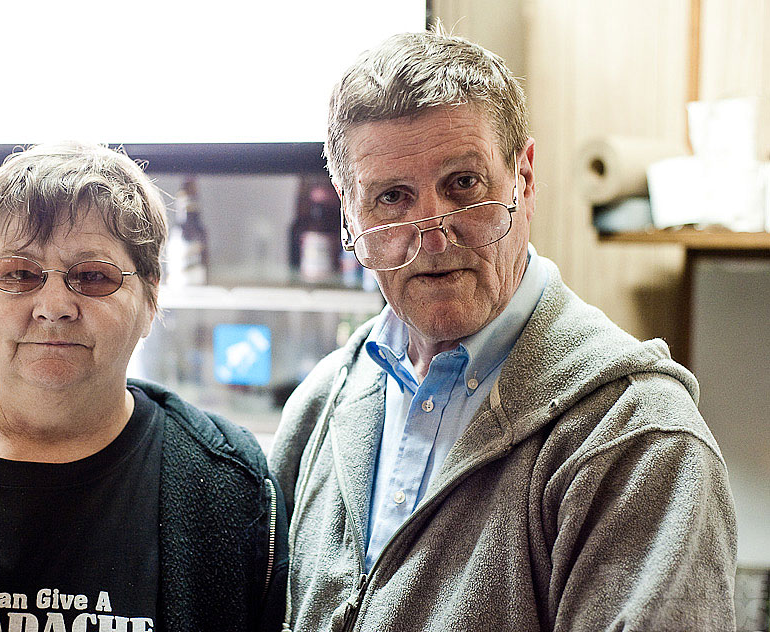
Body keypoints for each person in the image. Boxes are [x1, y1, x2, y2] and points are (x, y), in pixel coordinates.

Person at [270, 30, 737, 631]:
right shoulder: (324, 404)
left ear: (525, 178)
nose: (432, 236)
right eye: (391, 197)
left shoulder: (637, 441)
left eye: (463, 184)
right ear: (348, 213)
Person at [0, 142, 287, 632]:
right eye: (19, 273)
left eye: (94, 276)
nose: (54, 307)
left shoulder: (230, 488)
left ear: (150, 299)